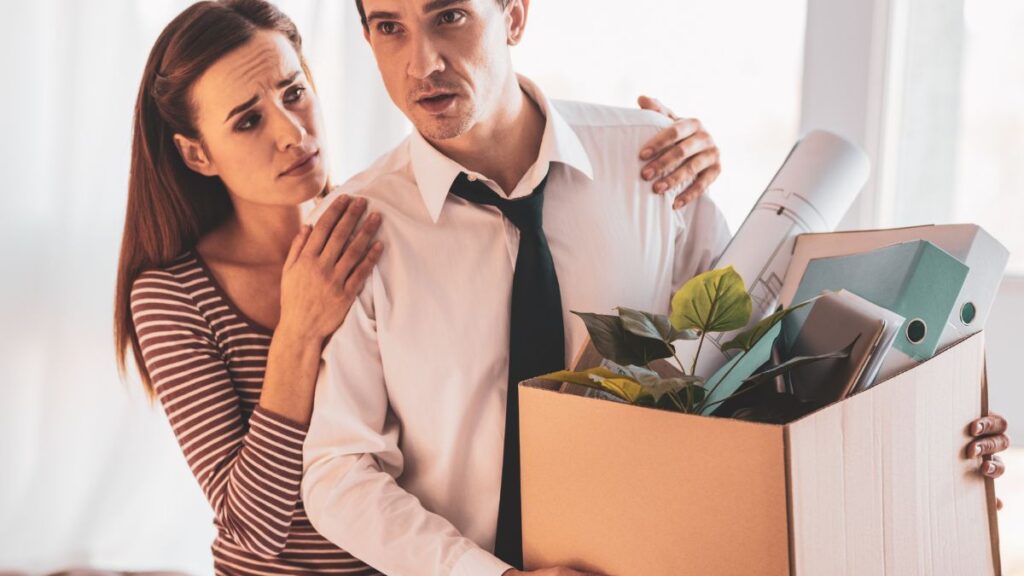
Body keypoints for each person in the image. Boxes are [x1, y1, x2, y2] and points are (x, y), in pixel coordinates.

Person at [299, 1, 1011, 575]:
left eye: (448, 15)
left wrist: (931, 439)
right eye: (388, 28)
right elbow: (339, 470)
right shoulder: (360, 229)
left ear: (514, 15)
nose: (421, 62)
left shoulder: (652, 162)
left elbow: (756, 368)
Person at [114, 1, 729, 574]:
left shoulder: (362, 223)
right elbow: (259, 519)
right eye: (247, 121)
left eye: (294, 93)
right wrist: (298, 332)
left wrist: (655, 150)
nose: (291, 134)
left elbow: (730, 330)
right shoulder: (183, 292)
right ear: (198, 155)